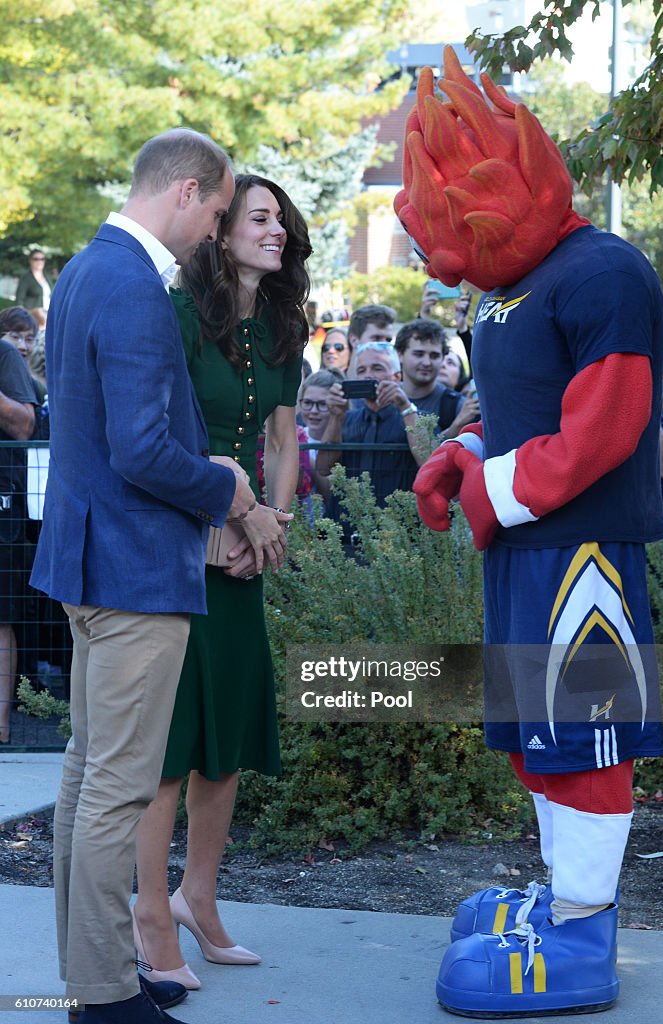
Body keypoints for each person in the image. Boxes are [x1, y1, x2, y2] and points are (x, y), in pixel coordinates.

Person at [396, 48, 663, 1017]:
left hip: (580, 553)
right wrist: (460, 449)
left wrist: (486, 485)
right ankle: (563, 899)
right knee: (537, 739)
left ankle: (582, 931)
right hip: (521, 548)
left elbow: (604, 425)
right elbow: (515, 404)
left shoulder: (602, 272)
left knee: (585, 736)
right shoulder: (508, 286)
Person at [28, 128, 258, 1024]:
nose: (213, 231)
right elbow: (142, 450)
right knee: (112, 789)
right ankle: (104, 994)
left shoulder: (88, 270)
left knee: (89, 779)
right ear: (187, 190)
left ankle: (99, 983)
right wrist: (227, 487)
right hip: (132, 573)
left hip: (96, 565)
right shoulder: (128, 283)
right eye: (214, 211)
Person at [132, 173, 311, 990]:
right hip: (179, 552)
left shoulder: (284, 322)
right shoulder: (173, 315)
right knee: (169, 751)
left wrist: (267, 529)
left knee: (227, 743)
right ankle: (146, 912)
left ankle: (197, 900)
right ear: (221, 228)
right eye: (260, 217)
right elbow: (165, 434)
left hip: (245, 560)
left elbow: (282, 442)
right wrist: (229, 523)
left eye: (282, 220)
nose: (276, 231)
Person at [316, 341, 425, 517]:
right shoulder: (347, 418)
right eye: (361, 371)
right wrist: (335, 416)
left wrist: (405, 407)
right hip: (347, 526)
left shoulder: (416, 418)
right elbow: (323, 468)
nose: (368, 375)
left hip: (398, 527)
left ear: (397, 377)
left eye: (377, 368)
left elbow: (427, 461)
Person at [0, 313, 37, 745]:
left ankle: (2, 728)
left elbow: (25, 425)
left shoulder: (5, 354)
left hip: (3, 502)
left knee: (1, 619)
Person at [394, 319, 478, 438]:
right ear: (400, 354)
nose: (427, 362)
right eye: (419, 354)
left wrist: (457, 426)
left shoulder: (457, 407)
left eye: (434, 356)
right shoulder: (385, 399)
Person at [297, 368, 343, 507]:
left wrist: (305, 457)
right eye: (308, 403)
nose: (313, 411)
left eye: (322, 404)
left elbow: (331, 495)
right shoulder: (295, 435)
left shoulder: (344, 439)